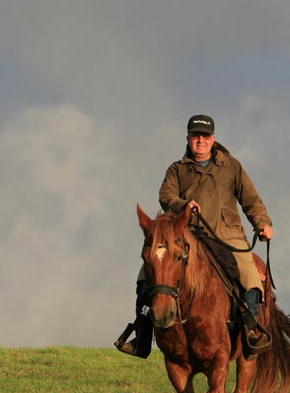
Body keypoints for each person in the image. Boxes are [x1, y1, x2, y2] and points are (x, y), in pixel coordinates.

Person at [114, 114, 273, 358]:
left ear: (213, 139)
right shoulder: (177, 170)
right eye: (195, 136)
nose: (200, 140)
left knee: (249, 273)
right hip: (187, 234)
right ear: (188, 138)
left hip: (226, 234)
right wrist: (184, 205)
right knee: (145, 275)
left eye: (205, 136)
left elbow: (251, 200)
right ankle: (142, 332)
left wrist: (262, 223)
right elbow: (166, 197)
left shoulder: (232, 167)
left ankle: (251, 330)